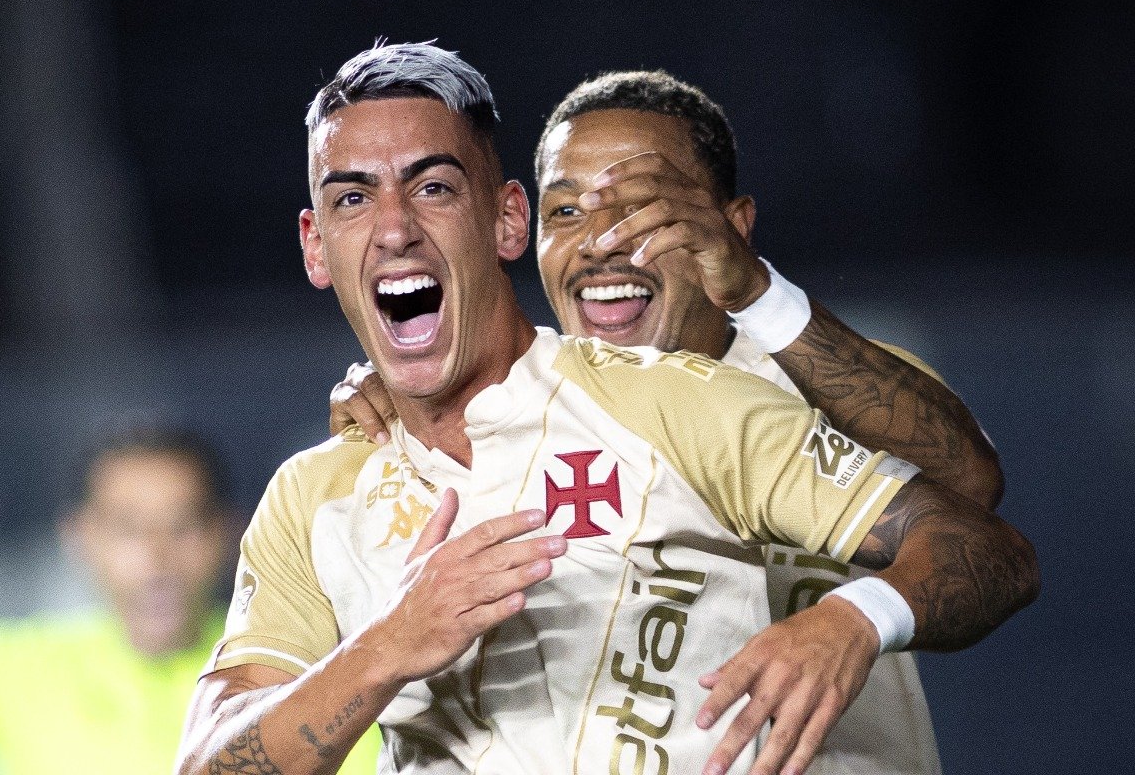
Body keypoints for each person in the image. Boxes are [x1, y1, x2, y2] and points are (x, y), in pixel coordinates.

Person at [176, 43, 1038, 775]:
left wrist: (854, 619)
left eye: (433, 188)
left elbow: (980, 518)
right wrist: (386, 647)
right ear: (315, 245)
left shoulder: (697, 399)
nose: (604, 241)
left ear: (502, 221)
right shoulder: (319, 494)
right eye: (353, 198)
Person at [0, 425, 379, 775]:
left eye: (182, 526)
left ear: (232, 534)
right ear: (80, 538)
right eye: (128, 529)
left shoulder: (312, 682)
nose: (157, 557)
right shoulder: (11, 673)